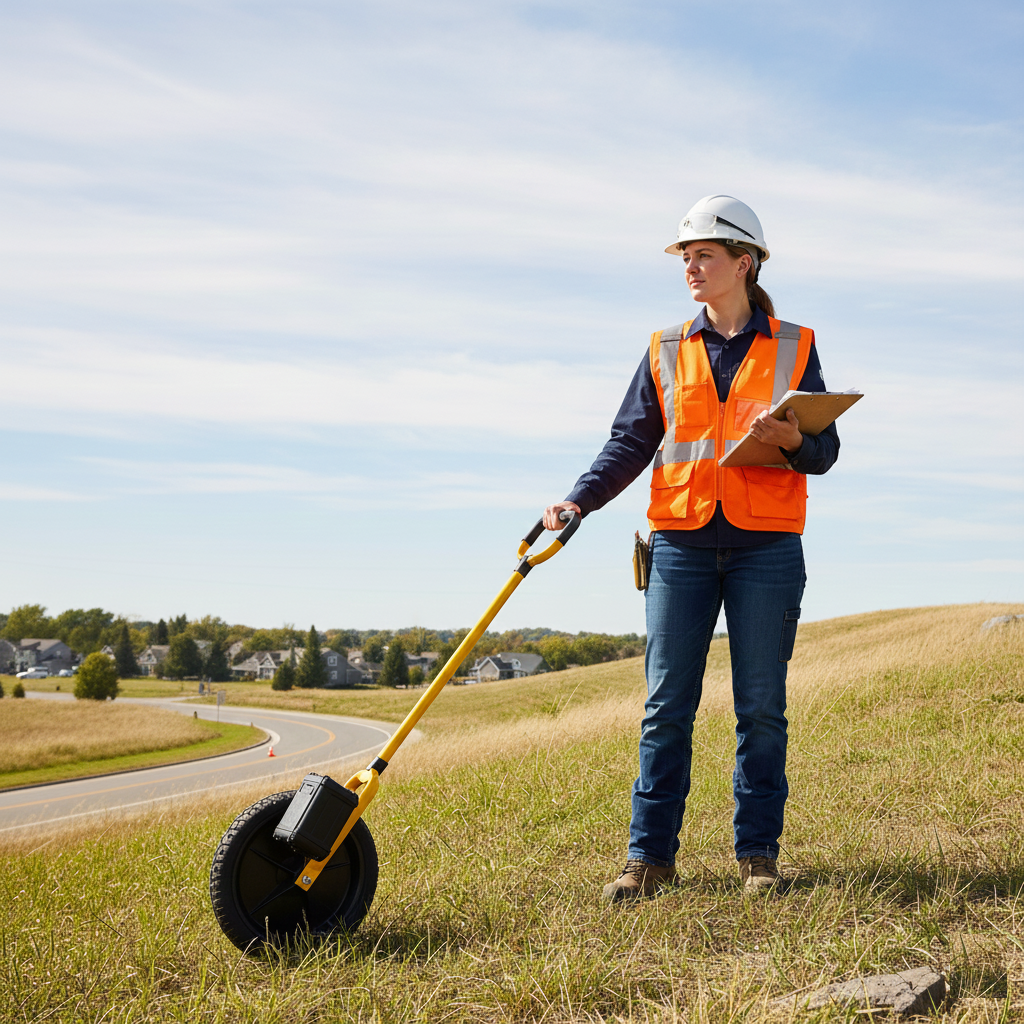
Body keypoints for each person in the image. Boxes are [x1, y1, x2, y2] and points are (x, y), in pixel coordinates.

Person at [542, 195, 840, 900]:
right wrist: (578, 498)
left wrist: (793, 439)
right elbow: (631, 442)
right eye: (685, 256)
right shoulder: (666, 348)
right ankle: (648, 860)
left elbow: (824, 451)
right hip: (679, 542)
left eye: (704, 255)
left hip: (766, 547)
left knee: (761, 705)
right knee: (665, 704)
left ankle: (758, 858)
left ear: (745, 262)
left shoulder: (794, 345)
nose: (691, 268)